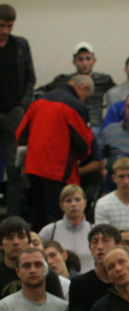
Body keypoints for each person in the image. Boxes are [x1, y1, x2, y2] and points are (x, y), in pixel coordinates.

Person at [16, 75, 95, 230]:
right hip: (58, 169)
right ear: (83, 88)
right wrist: (82, 157)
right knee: (56, 216)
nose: (84, 100)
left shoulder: (38, 100)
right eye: (87, 96)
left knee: (37, 212)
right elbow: (84, 144)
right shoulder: (74, 106)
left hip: (33, 166)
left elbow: (20, 134)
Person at [0, 4, 35, 220]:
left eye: (9, 26)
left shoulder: (20, 45)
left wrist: (23, 105)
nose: (5, 31)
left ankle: (13, 219)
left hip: (13, 112)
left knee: (16, 170)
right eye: (1, 26)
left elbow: (30, 77)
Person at [38, 184, 94, 273]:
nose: (73, 204)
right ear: (61, 205)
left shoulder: (94, 230)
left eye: (77, 200)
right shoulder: (49, 231)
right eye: (68, 201)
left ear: (85, 203)